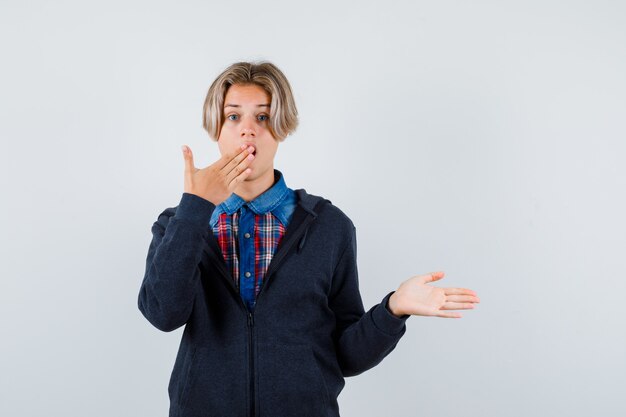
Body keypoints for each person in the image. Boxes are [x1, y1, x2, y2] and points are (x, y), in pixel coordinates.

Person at [137, 61, 480, 417]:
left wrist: (393, 309)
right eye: (234, 117)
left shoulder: (329, 227)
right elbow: (163, 313)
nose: (248, 131)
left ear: (281, 128)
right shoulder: (179, 224)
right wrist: (194, 209)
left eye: (264, 118)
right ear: (216, 129)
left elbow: (345, 355)